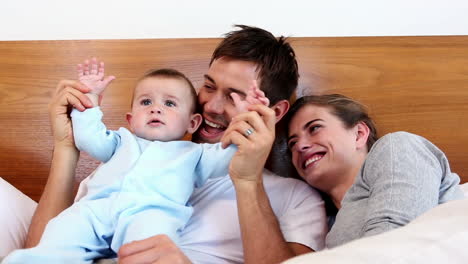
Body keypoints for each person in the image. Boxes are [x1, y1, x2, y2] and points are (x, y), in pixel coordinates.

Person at [18, 25, 328, 263]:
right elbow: (42, 252)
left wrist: (246, 179)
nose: (212, 107)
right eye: (208, 86)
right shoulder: (126, 163)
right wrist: (66, 144)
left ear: (273, 112)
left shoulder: (296, 199)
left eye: (235, 96)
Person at [5, 57, 267, 262]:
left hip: (150, 212)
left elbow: (231, 160)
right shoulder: (121, 141)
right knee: (63, 233)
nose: (156, 108)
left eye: (170, 104)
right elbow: (88, 138)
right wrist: (90, 102)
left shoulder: (195, 154)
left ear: (192, 122)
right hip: (97, 208)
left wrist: (245, 121)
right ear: (131, 120)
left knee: (147, 247)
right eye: (145, 102)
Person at [285, 94, 464, 248]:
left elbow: (395, 246)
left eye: (314, 128)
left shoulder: (397, 148)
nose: (300, 146)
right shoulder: (322, 228)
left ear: (359, 134)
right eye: (292, 143)